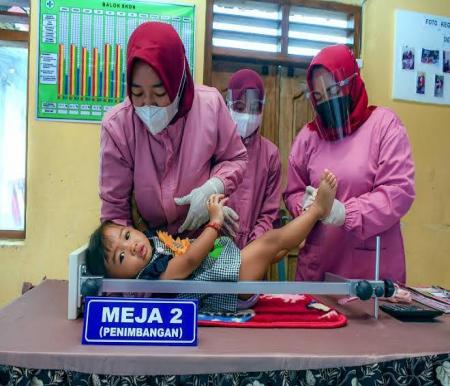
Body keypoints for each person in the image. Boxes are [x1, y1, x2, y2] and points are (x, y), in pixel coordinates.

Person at [87, 171, 338, 313]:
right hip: (228, 287)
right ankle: (317, 211)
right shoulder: (152, 279)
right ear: (117, 278)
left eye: (127, 236)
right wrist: (214, 222)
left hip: (224, 275)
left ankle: (299, 234)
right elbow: (190, 259)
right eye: (121, 257)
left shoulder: (153, 249)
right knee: (271, 240)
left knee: (272, 249)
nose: (131, 247)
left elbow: (185, 254)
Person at [99, 22, 247, 239]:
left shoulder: (210, 106)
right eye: (137, 93)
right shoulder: (118, 126)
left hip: (205, 237)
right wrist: (134, 257)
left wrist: (214, 186)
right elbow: (115, 211)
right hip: (148, 242)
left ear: (178, 82)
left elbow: (236, 159)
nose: (148, 104)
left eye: (159, 93)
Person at [283, 44, 415, 283]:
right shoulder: (309, 137)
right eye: (319, 97)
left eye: (334, 91)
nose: (328, 103)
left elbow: (398, 192)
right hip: (318, 268)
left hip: (368, 270)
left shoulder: (384, 126)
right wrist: (304, 205)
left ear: (351, 81)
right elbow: (292, 191)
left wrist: (344, 213)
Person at [225, 69, 282, 248]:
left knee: (248, 274)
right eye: (240, 108)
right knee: (217, 273)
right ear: (229, 104)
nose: (248, 116)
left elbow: (269, 213)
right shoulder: (216, 148)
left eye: (255, 108)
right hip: (216, 246)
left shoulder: (270, 155)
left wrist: (252, 247)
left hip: (254, 248)